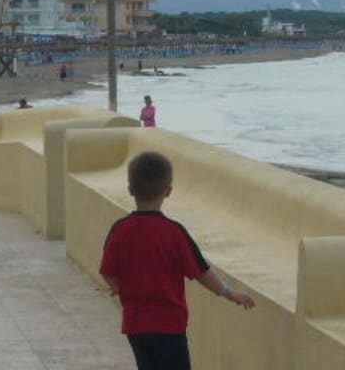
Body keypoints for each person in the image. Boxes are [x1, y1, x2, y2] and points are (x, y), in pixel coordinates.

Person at [100, 151, 254, 370]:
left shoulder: (119, 230)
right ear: (168, 191)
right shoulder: (173, 233)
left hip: (135, 324)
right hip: (168, 325)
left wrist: (117, 287)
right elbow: (201, 272)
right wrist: (229, 293)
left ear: (131, 189)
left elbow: (107, 271)